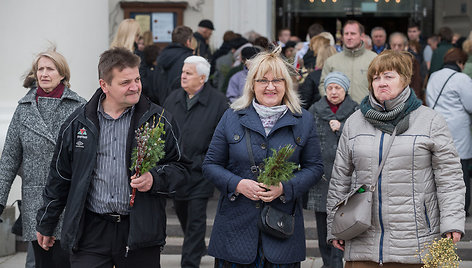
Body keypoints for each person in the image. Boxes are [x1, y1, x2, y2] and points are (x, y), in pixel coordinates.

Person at [35, 47, 190, 267]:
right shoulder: (78, 123)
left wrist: (155, 179)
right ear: (104, 85)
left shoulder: (159, 120)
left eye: (137, 79)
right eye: (125, 82)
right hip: (90, 233)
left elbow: (183, 170)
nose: (135, 87)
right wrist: (47, 222)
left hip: (140, 233)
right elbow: (60, 176)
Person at [326, 50, 465, 267]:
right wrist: (335, 225)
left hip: (416, 243)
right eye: (376, 77)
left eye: (389, 76)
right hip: (362, 241)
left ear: (405, 80)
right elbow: (340, 178)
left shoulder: (430, 121)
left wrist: (452, 223)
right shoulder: (354, 122)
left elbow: (450, 178)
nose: (381, 83)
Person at [202, 47, 324, 266]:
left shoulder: (303, 120)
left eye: (277, 80)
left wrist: (284, 188)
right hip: (235, 232)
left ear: (286, 84)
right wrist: (238, 184)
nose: (270, 87)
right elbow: (210, 164)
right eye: (262, 81)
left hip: (281, 231)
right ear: (252, 85)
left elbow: (315, 167)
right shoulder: (232, 116)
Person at [0, 49, 86, 267]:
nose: (44, 73)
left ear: (62, 74)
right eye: (40, 69)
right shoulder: (23, 110)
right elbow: (9, 159)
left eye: (50, 68)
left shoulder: (79, 108)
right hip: (36, 202)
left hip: (69, 202)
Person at [163, 56, 228, 268]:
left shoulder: (218, 102)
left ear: (202, 78)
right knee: (182, 211)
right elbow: (163, 130)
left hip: (201, 171)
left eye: (188, 73)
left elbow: (222, 138)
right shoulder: (173, 98)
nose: (182, 75)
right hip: (177, 169)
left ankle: (189, 263)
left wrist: (205, 161)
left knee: (196, 220)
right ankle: (198, 246)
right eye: (183, 71)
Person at [307, 71, 358, 268]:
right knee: (322, 227)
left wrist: (342, 127)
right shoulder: (314, 110)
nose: (333, 92)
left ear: (345, 90)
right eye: (330, 88)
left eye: (338, 88)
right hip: (321, 178)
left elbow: (361, 138)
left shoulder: (355, 110)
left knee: (341, 225)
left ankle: (337, 263)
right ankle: (327, 263)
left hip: (346, 178)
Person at [426, 47, 472, 216]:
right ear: (460, 62)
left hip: (436, 127)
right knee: (460, 170)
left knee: (440, 169)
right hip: (458, 131)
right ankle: (461, 207)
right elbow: (470, 104)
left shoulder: (434, 76)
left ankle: (440, 207)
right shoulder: (462, 78)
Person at [320, 20, 377, 104]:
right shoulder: (331, 61)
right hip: (339, 113)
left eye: (353, 33)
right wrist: (332, 102)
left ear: (362, 36)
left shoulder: (374, 59)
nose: (349, 37)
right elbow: (323, 85)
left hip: (367, 111)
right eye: (346, 34)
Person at [152, 25, 194, 105]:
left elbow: (155, 84)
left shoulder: (161, 56)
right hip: (181, 105)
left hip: (162, 104)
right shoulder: (189, 59)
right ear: (188, 42)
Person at [299, 37, 336, 109]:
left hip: (316, 115)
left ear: (319, 57)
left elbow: (303, 103)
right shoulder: (342, 75)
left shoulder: (312, 77)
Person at [389, 32, 424, 103]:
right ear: (390, 45)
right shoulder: (385, 62)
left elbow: (416, 84)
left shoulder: (412, 62)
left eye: (399, 45)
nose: (396, 48)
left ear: (405, 46)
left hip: (408, 100)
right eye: (394, 45)